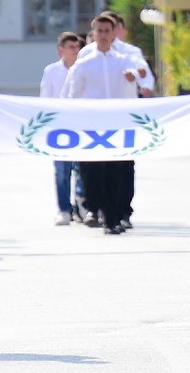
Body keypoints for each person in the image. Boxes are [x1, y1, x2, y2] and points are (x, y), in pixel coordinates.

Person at [63, 13, 142, 234]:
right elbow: (73, 95)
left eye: (108, 31)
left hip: (117, 125)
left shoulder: (124, 61)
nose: (104, 35)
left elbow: (141, 78)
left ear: (114, 33)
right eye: (100, 31)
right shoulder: (84, 64)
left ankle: (112, 217)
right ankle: (98, 210)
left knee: (115, 172)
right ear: (94, 34)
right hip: (92, 126)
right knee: (93, 173)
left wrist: (136, 76)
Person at [40, 31, 85, 225]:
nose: (75, 51)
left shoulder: (84, 68)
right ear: (61, 51)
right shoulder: (51, 71)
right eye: (71, 47)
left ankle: (82, 204)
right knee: (62, 170)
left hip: (82, 127)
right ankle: (64, 209)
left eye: (77, 47)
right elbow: (46, 98)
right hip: (60, 128)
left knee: (82, 168)